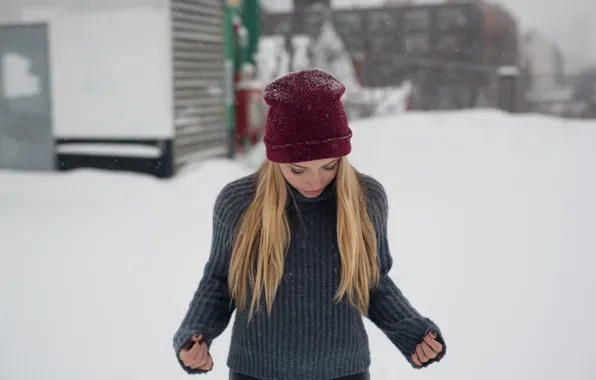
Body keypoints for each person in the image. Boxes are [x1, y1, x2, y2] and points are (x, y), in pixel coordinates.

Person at [173, 69, 446, 380]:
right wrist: (195, 334)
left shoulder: (365, 200)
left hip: (345, 372)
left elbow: (373, 282)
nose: (315, 180)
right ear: (275, 159)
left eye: (328, 166)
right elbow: (220, 282)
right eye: (298, 170)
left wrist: (412, 332)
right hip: (257, 372)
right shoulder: (240, 204)